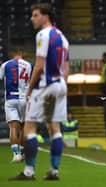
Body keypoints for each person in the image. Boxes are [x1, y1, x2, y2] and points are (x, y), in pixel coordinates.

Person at [9, 3, 69, 180]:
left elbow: (39, 66)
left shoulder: (43, 35)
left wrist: (29, 89)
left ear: (46, 16)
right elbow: (66, 68)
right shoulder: (62, 37)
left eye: (35, 15)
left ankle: (29, 171)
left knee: (29, 128)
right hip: (60, 86)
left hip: (44, 86)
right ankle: (54, 171)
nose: (32, 18)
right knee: (55, 128)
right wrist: (61, 88)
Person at [0, 49, 32, 162]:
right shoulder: (29, 65)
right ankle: (23, 153)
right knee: (23, 127)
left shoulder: (6, 64)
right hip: (25, 99)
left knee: (13, 127)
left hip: (11, 98)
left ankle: (16, 154)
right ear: (22, 53)